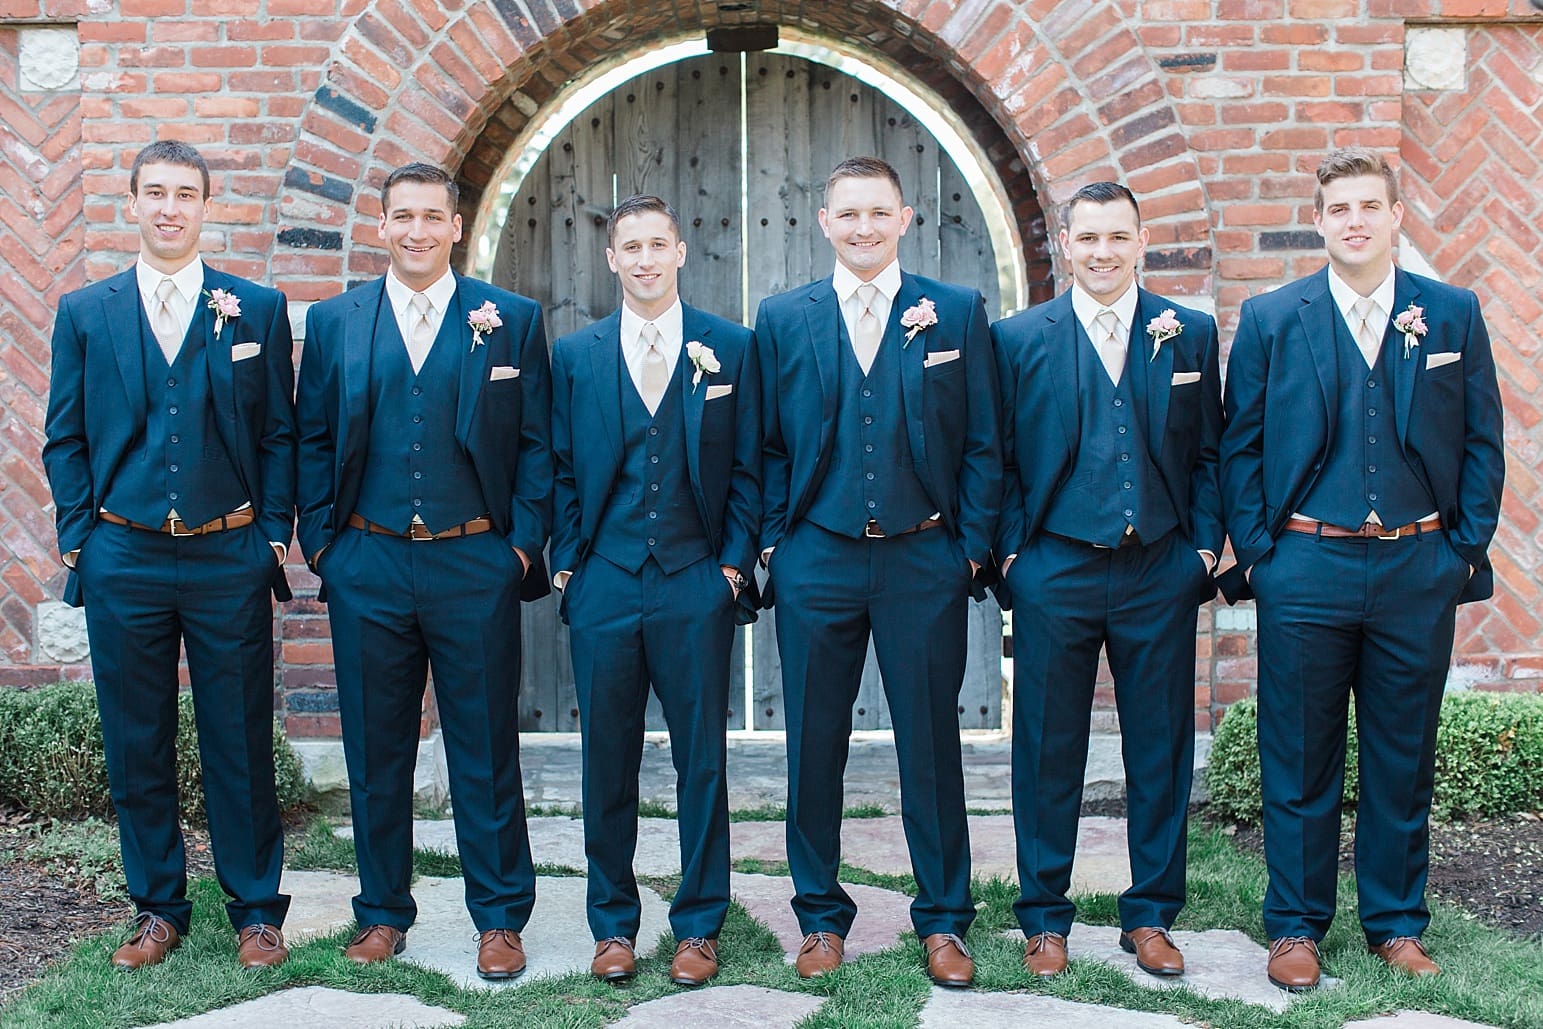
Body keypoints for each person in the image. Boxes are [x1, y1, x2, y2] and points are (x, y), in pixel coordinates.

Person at [1218, 146, 1504, 990]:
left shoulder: (1448, 313)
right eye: (1337, 208)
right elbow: (1240, 448)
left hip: (1418, 565)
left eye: (1368, 206)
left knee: (1400, 755)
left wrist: (1459, 550)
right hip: (1304, 564)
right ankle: (1295, 926)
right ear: (1318, 221)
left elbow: (1485, 442)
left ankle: (1394, 922)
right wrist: (1263, 558)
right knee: (1297, 753)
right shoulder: (1273, 316)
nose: (1353, 221)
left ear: (1393, 215)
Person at [42, 140, 296, 971]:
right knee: (136, 738)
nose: (168, 208)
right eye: (154, 192)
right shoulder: (87, 311)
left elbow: (281, 432)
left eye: (184, 194)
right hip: (124, 555)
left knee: (239, 737)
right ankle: (157, 908)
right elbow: (66, 437)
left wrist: (271, 533)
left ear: (204, 205)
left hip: (229, 554)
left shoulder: (252, 307)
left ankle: (256, 909)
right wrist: (82, 540)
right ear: (133, 202)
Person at [294, 162, 552, 979]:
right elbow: (311, 439)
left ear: (455, 226)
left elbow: (540, 443)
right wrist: (322, 543)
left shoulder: (508, 319)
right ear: (381, 225)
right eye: (401, 216)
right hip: (366, 559)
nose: (415, 230)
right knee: (375, 748)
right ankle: (380, 912)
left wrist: (517, 546)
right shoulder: (338, 322)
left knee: (483, 747)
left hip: (474, 558)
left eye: (430, 217)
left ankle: (500, 916)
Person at [755, 156, 1001, 987]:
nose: (862, 227)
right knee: (812, 743)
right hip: (816, 555)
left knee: (929, 744)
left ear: (904, 220)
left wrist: (965, 548)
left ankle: (943, 921)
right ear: (822, 223)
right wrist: (773, 546)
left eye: (877, 213)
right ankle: (820, 918)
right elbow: (762, 445)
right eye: (846, 214)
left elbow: (982, 442)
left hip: (920, 554)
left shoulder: (955, 312)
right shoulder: (784, 317)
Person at [990, 181, 1224, 980]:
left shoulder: (1185, 332)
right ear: (1064, 242)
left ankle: (1151, 914)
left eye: (1115, 236)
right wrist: (1013, 556)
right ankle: (1044, 918)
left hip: (1158, 564)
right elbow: (997, 457)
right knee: (1047, 746)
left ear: (1140, 239)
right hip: (1054, 564)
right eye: (1086, 237)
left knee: (1159, 747)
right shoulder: (1018, 338)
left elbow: (1209, 451)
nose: (1100, 251)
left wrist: (1200, 549)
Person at [549, 194, 760, 988]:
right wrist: (569, 563)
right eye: (628, 246)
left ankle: (699, 924)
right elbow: (561, 466)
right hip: (603, 581)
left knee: (700, 763)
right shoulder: (575, 354)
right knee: (608, 759)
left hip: (692, 581)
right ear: (611, 259)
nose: (642, 258)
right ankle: (612, 926)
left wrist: (731, 569)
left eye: (655, 244)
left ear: (680, 252)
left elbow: (748, 467)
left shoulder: (729, 347)